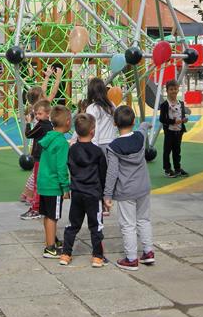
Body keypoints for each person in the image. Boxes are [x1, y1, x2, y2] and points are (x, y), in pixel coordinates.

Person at [104, 105, 154, 271]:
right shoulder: (139, 138)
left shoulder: (114, 146)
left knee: (128, 225)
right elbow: (143, 129)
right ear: (133, 121)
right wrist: (146, 125)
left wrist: (107, 195)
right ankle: (148, 252)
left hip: (126, 191)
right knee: (144, 220)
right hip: (143, 188)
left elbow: (112, 173)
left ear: (114, 123)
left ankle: (131, 258)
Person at [60, 114, 107, 267]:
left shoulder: (72, 150)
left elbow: (70, 167)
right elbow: (103, 174)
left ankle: (66, 254)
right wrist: (105, 195)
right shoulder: (98, 152)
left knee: (73, 224)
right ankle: (97, 256)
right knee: (96, 226)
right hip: (93, 193)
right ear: (92, 131)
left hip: (77, 193)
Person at [36, 105, 72, 259]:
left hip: (43, 182)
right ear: (68, 122)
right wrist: (65, 187)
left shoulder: (48, 138)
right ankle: (50, 247)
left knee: (47, 215)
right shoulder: (62, 143)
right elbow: (61, 167)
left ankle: (52, 240)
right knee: (53, 216)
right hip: (53, 185)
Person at [20, 100, 53, 220]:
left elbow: (28, 134)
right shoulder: (49, 125)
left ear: (47, 113)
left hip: (39, 157)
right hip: (45, 157)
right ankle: (39, 207)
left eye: (39, 114)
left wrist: (28, 123)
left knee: (37, 184)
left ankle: (36, 208)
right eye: (36, 114)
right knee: (40, 183)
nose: (37, 117)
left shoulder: (41, 125)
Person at [159, 79, 189, 178]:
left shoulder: (181, 103)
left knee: (177, 151)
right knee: (167, 151)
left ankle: (177, 168)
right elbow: (162, 119)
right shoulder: (164, 105)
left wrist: (184, 120)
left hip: (178, 131)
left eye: (175, 89)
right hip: (169, 132)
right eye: (171, 89)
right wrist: (173, 122)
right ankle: (167, 169)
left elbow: (181, 116)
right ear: (167, 91)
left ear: (178, 90)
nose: (173, 91)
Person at [85, 77, 117, 151]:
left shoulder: (91, 108)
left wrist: (94, 148)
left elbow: (93, 128)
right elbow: (116, 123)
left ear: (90, 92)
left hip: (99, 144)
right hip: (112, 142)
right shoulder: (111, 105)